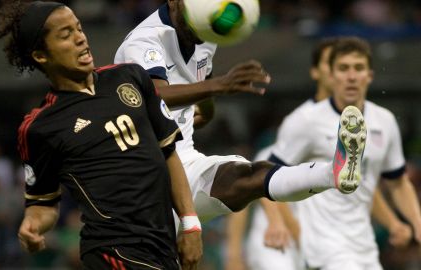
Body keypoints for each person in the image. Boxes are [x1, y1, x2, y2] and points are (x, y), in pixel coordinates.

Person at [0, 1, 202, 269]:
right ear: (41, 55)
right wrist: (32, 224)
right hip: (111, 252)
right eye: (66, 35)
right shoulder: (40, 127)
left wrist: (191, 224)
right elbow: (42, 203)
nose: (80, 38)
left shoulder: (131, 77)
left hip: (162, 248)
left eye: (78, 28)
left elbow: (168, 153)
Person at [114, 0, 366, 225]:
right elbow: (154, 96)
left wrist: (206, 110)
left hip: (185, 162)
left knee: (248, 175)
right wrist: (221, 85)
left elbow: (202, 76)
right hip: (141, 178)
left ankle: (333, 173)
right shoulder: (145, 40)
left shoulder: (206, 31)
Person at [226, 37, 413, 270]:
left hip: (346, 243)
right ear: (321, 72)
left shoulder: (377, 121)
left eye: (356, 68)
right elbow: (256, 184)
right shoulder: (302, 122)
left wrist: (394, 223)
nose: (349, 75)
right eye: (340, 66)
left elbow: (366, 186)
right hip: (295, 242)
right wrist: (239, 251)